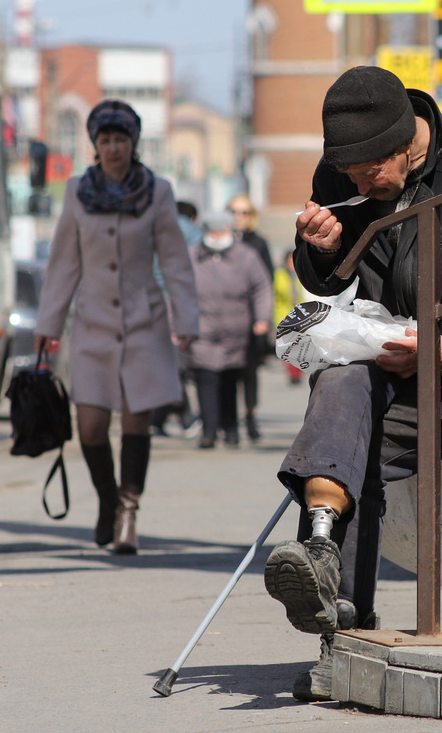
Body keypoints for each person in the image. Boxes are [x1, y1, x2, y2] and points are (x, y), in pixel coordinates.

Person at [263, 66, 442, 701]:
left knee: (352, 435)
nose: (356, 183)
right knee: (341, 384)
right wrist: (316, 249)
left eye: (369, 170)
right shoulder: (344, 171)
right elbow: (328, 279)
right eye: (346, 173)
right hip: (392, 369)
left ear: (408, 141)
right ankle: (319, 554)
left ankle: (343, 632)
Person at [34, 99, 199, 555]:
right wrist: (49, 323)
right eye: (105, 140)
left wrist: (186, 319)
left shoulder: (157, 192)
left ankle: (128, 510)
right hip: (91, 327)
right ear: (95, 145)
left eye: (120, 139)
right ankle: (108, 500)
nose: (113, 148)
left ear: (133, 143)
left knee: (136, 420)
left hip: (144, 324)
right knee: (89, 427)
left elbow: (175, 262)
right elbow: (64, 263)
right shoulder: (75, 192)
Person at [187, 210, 273, 449]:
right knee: (206, 379)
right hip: (202, 329)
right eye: (211, 231)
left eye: (221, 230)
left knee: (230, 381)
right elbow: (178, 291)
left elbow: (262, 288)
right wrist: (178, 324)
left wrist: (262, 319)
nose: (216, 235)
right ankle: (209, 431)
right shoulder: (192, 255)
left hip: (237, 331)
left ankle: (231, 428)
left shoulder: (246, 256)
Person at [150, 200, 203, 439]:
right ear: (192, 217)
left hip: (155, 302)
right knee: (178, 364)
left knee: (165, 362)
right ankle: (185, 418)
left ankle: (161, 419)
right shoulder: (194, 234)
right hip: (181, 302)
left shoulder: (155, 228)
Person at [226, 194, 273, 441]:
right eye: (234, 212)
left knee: (250, 374)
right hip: (224, 319)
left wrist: (263, 318)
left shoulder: (258, 243)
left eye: (244, 212)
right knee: (227, 375)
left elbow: (267, 281)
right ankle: (229, 425)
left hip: (251, 320)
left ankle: (251, 417)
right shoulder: (219, 241)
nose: (238, 217)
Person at [271, 248, 309, 385]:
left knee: (299, 345)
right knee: (288, 347)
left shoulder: (301, 274)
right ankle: (292, 374)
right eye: (290, 260)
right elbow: (279, 291)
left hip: (300, 315)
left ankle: (298, 373)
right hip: (284, 314)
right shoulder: (280, 274)